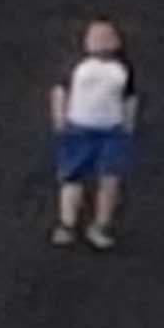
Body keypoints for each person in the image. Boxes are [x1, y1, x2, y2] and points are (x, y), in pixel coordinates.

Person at [50, 18, 139, 247]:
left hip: (111, 130)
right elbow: (61, 90)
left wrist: (128, 125)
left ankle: (101, 225)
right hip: (79, 128)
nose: (101, 41)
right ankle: (67, 224)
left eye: (107, 37)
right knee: (73, 177)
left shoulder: (122, 68)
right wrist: (60, 118)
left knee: (109, 179)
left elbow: (129, 98)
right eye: (96, 37)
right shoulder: (77, 66)